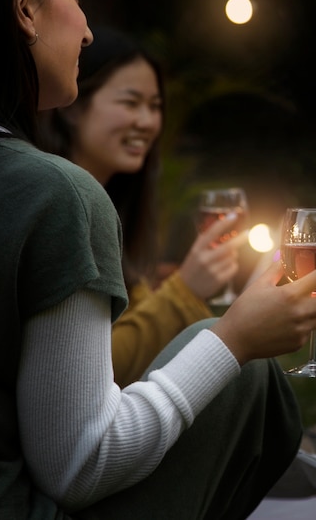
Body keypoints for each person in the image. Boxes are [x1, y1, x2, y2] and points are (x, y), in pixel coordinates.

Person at [0, 0, 316, 519]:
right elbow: (78, 466)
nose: (88, 27)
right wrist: (235, 337)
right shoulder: (58, 195)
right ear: (23, 8)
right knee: (245, 371)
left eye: (155, 107)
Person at [38, 26, 251, 387]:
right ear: (74, 107)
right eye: (130, 102)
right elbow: (93, 373)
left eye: (154, 107)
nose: (148, 122)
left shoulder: (113, 205)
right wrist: (185, 290)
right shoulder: (56, 206)